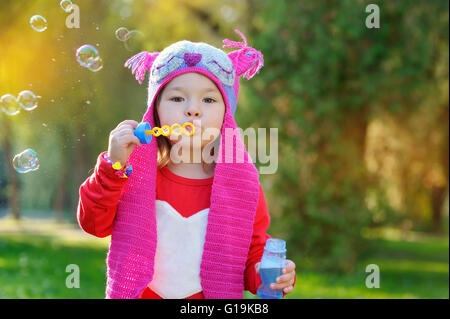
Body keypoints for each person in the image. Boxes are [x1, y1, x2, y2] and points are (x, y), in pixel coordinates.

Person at [77, 29, 296, 299]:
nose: (193, 110)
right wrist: (113, 166)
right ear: (155, 111)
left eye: (209, 99)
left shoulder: (242, 185)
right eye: (178, 98)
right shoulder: (130, 173)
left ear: (227, 115)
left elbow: (250, 254)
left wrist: (267, 273)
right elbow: (93, 224)